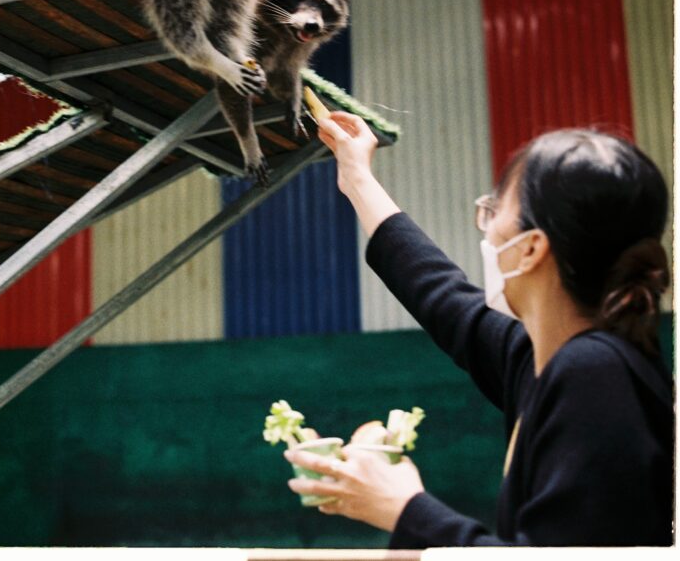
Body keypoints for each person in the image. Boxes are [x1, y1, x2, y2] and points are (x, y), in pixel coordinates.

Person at [285, 114, 673, 546]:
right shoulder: (546, 359)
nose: (486, 230)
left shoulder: (593, 375)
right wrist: (357, 177)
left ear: (530, 249)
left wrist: (403, 507)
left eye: (494, 210)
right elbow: (440, 294)